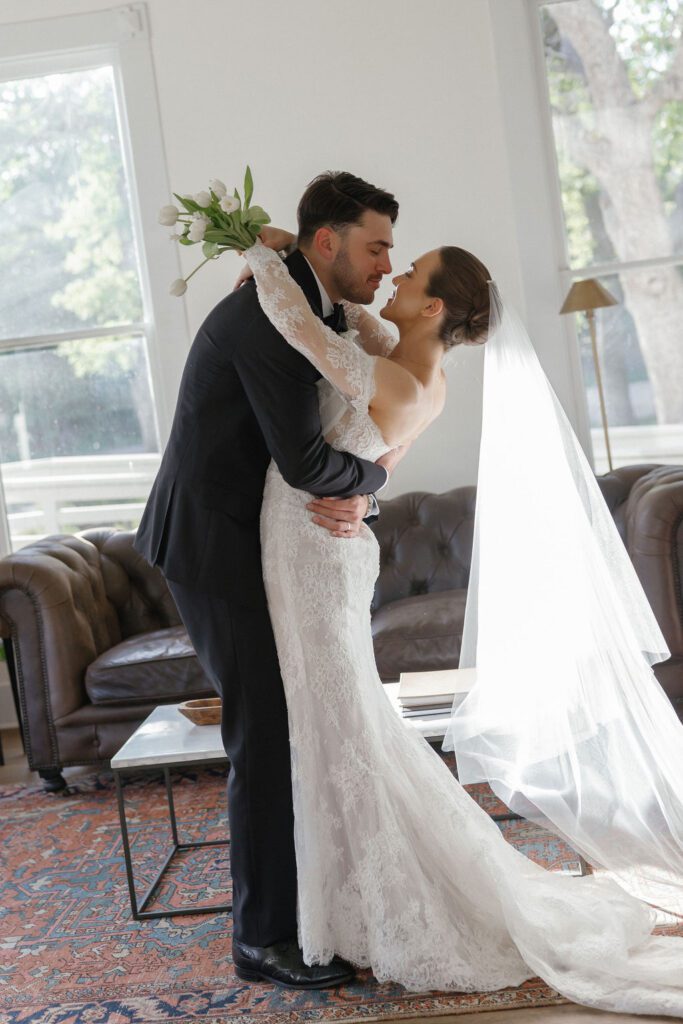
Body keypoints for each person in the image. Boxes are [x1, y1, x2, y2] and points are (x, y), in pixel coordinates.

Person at [236, 223, 683, 1015]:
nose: (393, 276)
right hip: (308, 546)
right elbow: (353, 325)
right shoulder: (407, 359)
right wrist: (294, 251)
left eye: (407, 272)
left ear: (434, 304)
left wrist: (255, 251)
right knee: (337, 725)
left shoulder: (404, 380)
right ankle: (338, 902)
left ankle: (377, 902)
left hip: (313, 554)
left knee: (341, 726)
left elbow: (303, 328)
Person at [134, 172, 403, 989]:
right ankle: (260, 940)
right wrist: (377, 479)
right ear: (327, 242)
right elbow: (306, 463)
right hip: (211, 546)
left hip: (248, 539)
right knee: (264, 727)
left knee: (283, 723)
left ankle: (314, 906)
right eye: (375, 245)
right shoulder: (268, 317)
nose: (386, 264)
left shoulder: (299, 296)